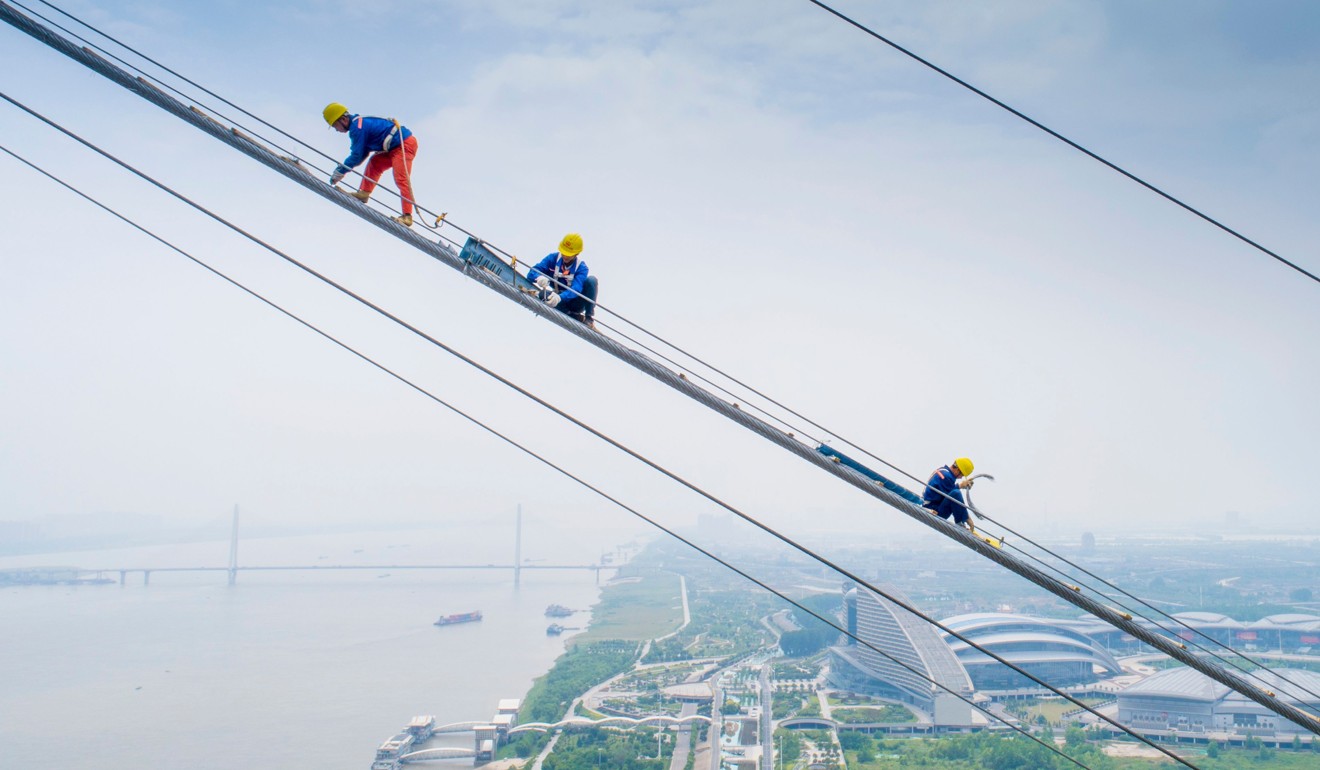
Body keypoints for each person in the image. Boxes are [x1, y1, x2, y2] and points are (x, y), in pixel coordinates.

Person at [323, 102, 418, 227]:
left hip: (403, 145)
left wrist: (340, 171)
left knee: (401, 179)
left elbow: (357, 155)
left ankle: (407, 216)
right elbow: (362, 154)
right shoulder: (358, 125)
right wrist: (342, 170)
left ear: (343, 119)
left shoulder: (357, 128)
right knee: (375, 163)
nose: (336, 130)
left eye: (335, 125)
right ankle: (364, 193)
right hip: (392, 148)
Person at [528, 233, 599, 328]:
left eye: (569, 254)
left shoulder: (581, 268)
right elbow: (532, 272)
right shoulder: (552, 259)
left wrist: (560, 297)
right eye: (564, 253)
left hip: (575, 302)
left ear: (576, 253)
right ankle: (571, 315)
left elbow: (576, 289)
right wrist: (538, 277)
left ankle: (589, 318)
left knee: (591, 280)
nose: (565, 256)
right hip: (558, 300)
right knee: (542, 294)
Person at [923, 457, 976, 530]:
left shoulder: (943, 471)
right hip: (933, 511)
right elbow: (953, 496)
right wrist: (968, 518)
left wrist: (960, 486)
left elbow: (948, 493)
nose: (961, 478)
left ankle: (962, 521)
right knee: (956, 493)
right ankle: (960, 523)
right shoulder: (946, 477)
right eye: (962, 475)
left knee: (956, 493)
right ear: (957, 470)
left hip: (931, 505)